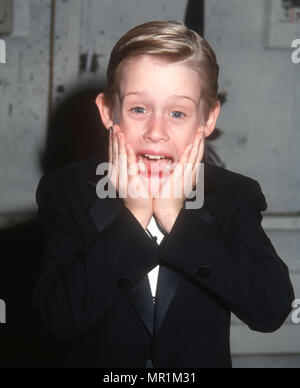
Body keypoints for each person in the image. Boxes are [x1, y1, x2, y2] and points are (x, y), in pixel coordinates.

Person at [33, 21, 294, 368]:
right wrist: (134, 215)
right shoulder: (66, 193)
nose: (156, 131)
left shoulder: (233, 196)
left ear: (208, 118)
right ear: (109, 112)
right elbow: (57, 319)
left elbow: (271, 309)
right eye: (139, 109)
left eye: (177, 113)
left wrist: (175, 216)